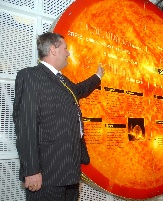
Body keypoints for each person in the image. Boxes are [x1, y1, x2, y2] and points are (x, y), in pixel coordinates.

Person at [13, 32, 104, 201]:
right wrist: (32, 170)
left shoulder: (62, 81)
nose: (68, 53)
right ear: (53, 50)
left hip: (70, 169)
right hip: (48, 172)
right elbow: (26, 126)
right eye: (65, 48)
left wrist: (97, 76)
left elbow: (79, 90)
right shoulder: (31, 76)